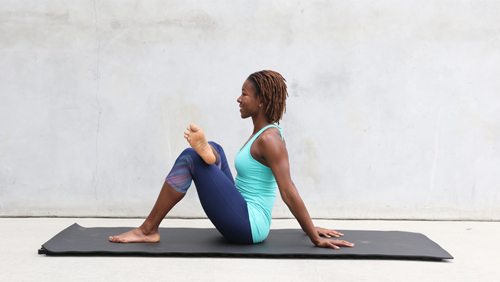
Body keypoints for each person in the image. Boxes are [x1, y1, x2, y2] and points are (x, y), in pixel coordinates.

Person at [109, 70, 354, 249]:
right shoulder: (260, 134)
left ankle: (148, 230)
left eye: (244, 94)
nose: (238, 99)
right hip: (241, 209)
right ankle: (210, 153)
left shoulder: (270, 140)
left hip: (248, 225)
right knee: (216, 149)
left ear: (261, 101)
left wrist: (313, 235)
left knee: (190, 157)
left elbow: (288, 191)